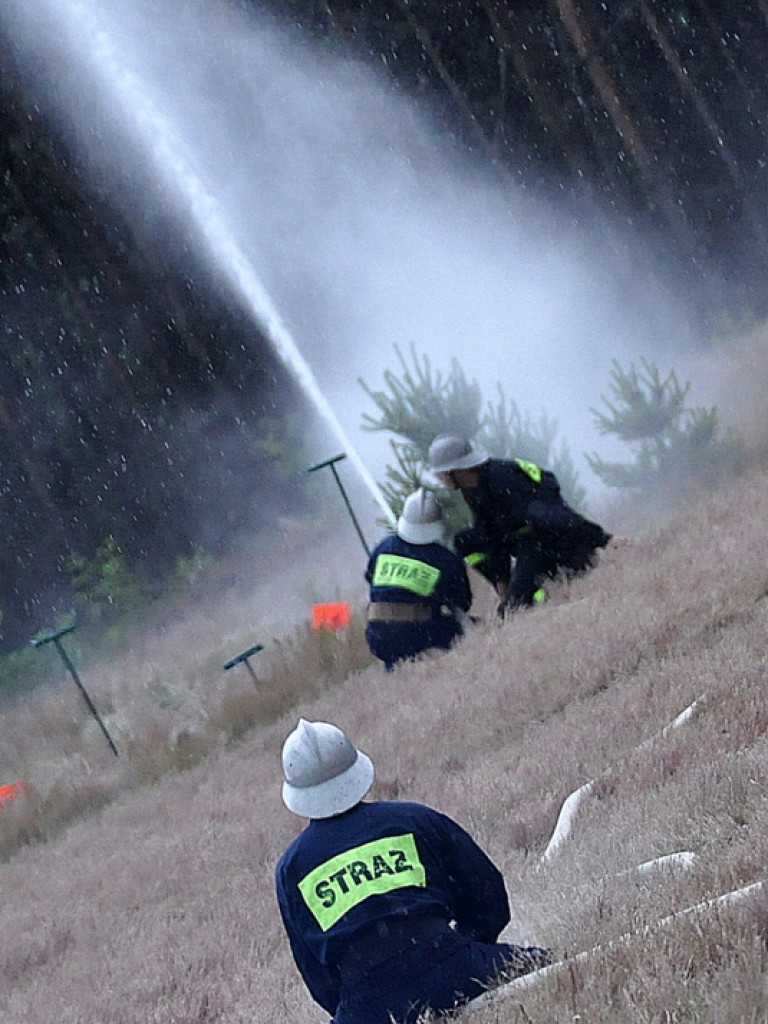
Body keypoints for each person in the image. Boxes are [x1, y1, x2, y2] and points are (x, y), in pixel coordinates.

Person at [275, 719, 552, 1024]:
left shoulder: (291, 871)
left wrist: (367, 1007)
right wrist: (466, 950)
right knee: (553, 967)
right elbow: (486, 893)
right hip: (453, 963)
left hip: (368, 1005)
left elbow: (316, 974)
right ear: (356, 769)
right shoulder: (414, 819)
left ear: (297, 795)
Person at [427, 433, 612, 617]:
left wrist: (603, 539)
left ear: (456, 470)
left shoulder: (503, 478)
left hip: (547, 541)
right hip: (525, 541)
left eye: (442, 473)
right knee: (463, 540)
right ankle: (523, 589)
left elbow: (554, 516)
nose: (440, 478)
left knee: (510, 612)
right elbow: (491, 537)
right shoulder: (472, 490)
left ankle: (561, 574)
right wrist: (502, 587)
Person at [364, 487, 472, 670]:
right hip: (419, 634)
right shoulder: (445, 559)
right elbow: (463, 602)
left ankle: (395, 675)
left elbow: (370, 577)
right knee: (475, 628)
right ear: (439, 524)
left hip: (377, 635)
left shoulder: (383, 547)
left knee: (396, 650)